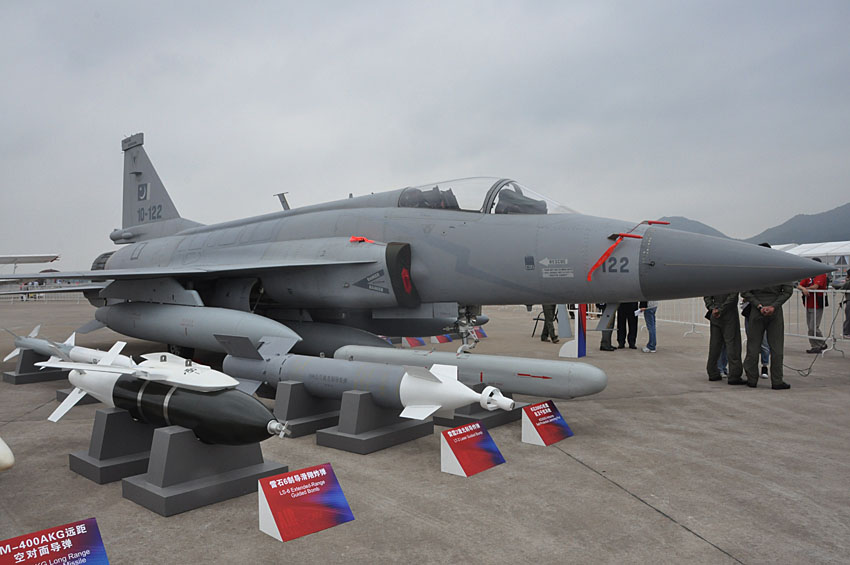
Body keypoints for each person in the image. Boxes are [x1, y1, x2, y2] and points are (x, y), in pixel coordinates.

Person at [742, 244, 794, 389]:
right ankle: (777, 381)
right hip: (774, 312)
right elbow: (787, 290)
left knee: (753, 346)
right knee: (776, 348)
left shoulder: (751, 269)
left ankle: (752, 380)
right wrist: (773, 306)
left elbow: (745, 292)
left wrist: (759, 306)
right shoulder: (780, 267)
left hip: (756, 311)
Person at [704, 293, 744, 384]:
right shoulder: (730, 280)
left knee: (715, 345)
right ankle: (734, 375)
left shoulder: (711, 279)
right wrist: (721, 309)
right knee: (733, 344)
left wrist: (713, 308)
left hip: (715, 314)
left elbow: (707, 295)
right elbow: (733, 297)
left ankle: (712, 371)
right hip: (729, 314)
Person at [798, 258, 828, 353]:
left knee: (813, 327)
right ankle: (817, 345)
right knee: (810, 327)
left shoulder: (821, 274)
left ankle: (820, 344)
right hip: (808, 303)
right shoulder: (809, 275)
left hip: (817, 304)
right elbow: (799, 285)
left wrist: (805, 288)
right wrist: (803, 289)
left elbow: (816, 286)